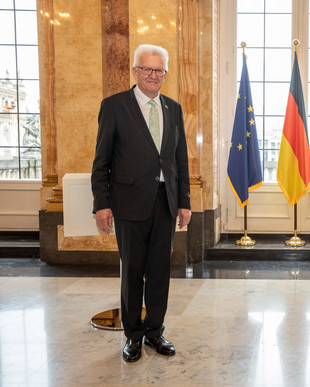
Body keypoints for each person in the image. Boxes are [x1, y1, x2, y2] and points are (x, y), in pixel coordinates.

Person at [91, 44, 191, 362]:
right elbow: (101, 161)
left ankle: (155, 332)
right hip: (129, 204)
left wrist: (184, 201)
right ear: (134, 71)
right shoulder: (114, 106)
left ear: (165, 74)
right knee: (132, 272)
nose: (152, 75)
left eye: (158, 70)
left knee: (160, 272)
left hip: (165, 204)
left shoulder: (173, 109)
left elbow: (180, 160)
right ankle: (133, 336)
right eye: (146, 69)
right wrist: (101, 204)